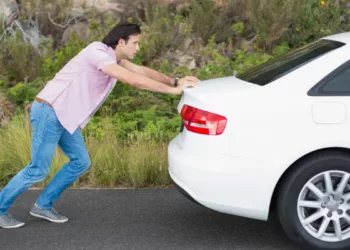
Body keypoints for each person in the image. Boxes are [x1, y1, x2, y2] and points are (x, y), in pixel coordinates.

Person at [0, 22, 200, 228]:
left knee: (81, 161)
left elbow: (141, 71)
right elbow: (134, 80)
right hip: (50, 111)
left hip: (66, 117)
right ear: (121, 41)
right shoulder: (97, 52)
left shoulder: (115, 59)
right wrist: (172, 92)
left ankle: (42, 205)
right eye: (136, 43)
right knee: (38, 170)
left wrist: (174, 81)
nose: (138, 48)